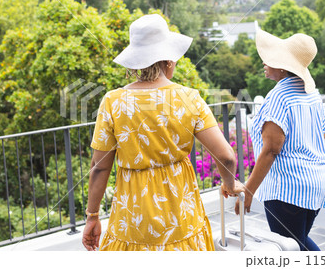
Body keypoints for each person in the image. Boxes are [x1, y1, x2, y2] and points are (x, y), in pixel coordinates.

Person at [82, 14, 244, 251]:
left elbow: (99, 167)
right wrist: (229, 185)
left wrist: (92, 216)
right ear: (167, 61)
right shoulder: (189, 98)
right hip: (181, 217)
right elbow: (227, 157)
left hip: (132, 218)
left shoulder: (112, 101)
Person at [236, 28, 325, 251]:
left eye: (271, 58)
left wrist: (248, 190)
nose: (264, 62)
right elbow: (322, 135)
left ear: (283, 66)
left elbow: (271, 150)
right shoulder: (311, 94)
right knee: (298, 242)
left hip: (290, 190)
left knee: (291, 248)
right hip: (317, 183)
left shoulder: (280, 97)